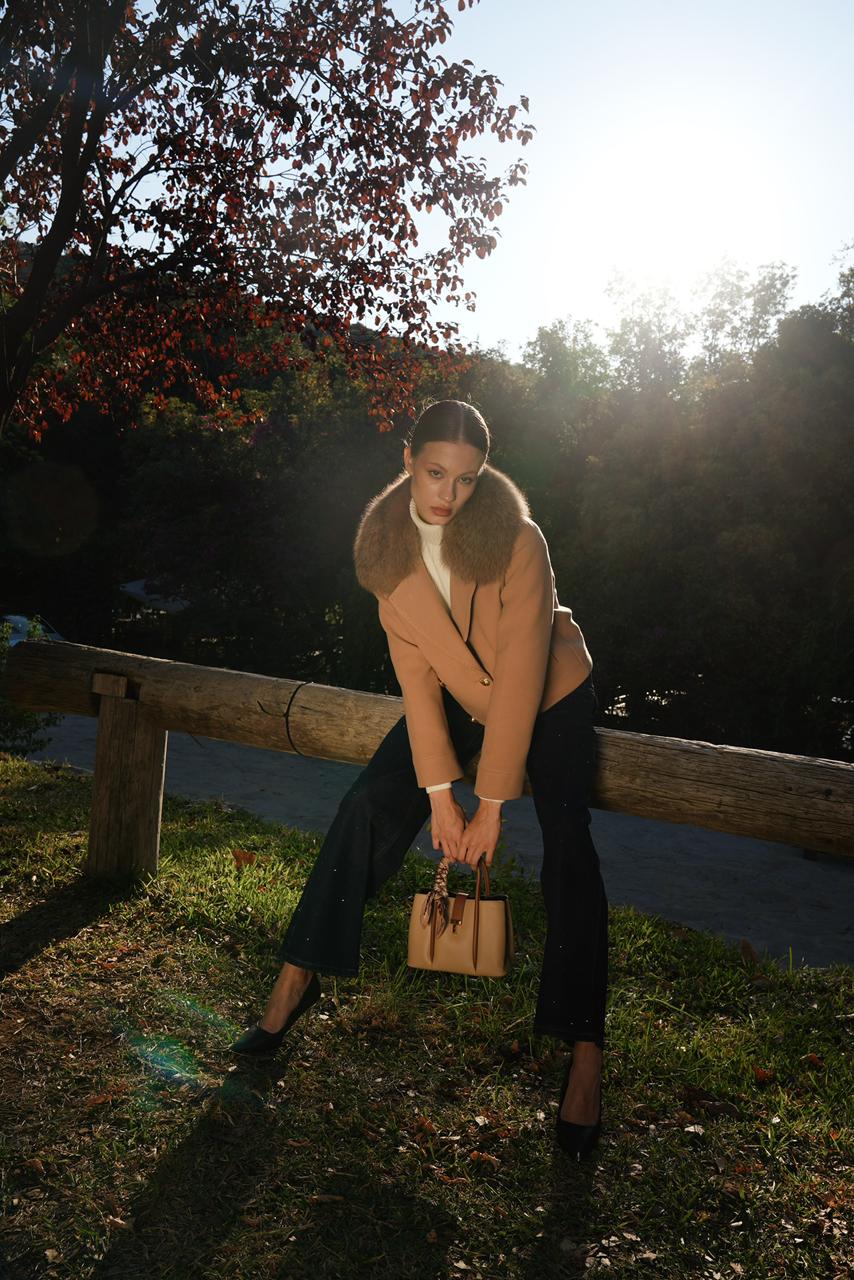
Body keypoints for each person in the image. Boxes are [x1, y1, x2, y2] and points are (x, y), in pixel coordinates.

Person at [232, 400, 608, 1159]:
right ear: (408, 460)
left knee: (570, 838)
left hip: (547, 689)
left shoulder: (519, 539)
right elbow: (414, 676)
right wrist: (440, 793)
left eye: (467, 480)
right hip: (456, 697)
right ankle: (295, 982)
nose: (448, 494)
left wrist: (490, 804)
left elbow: (521, 676)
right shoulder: (385, 552)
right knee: (368, 801)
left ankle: (585, 1057)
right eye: (436, 473)